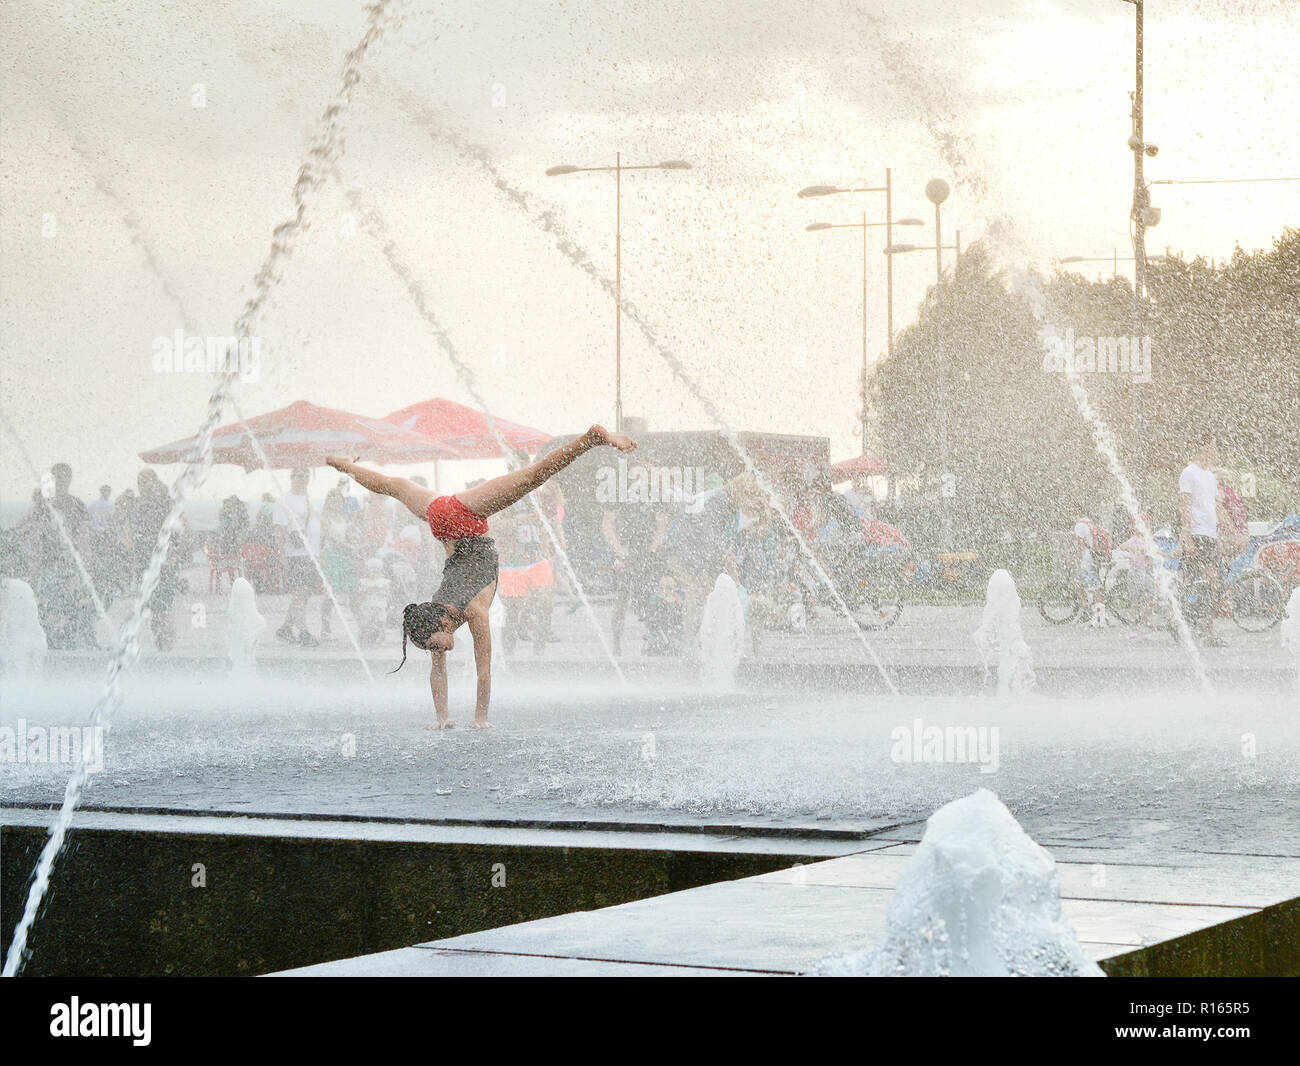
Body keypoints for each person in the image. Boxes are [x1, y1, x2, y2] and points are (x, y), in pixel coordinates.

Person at [328, 424, 636, 728]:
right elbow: (439, 669)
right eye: (431, 648)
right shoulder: (431, 613)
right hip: (439, 517)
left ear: (445, 624)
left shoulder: (474, 611)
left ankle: (591, 439)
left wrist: (480, 719)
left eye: (434, 644)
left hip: (467, 519)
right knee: (392, 485)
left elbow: (484, 670)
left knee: (533, 476)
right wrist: (442, 719)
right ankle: (343, 465)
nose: (434, 650)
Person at [1178, 431, 1224, 647]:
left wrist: (1227, 531)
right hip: (1197, 534)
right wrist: (1187, 536)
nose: (1215, 450)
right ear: (1204, 446)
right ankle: (1201, 629)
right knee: (1202, 582)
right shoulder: (1189, 473)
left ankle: (1201, 627)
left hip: (1210, 534)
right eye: (1213, 446)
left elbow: (1215, 506)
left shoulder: (1211, 476)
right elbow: (1185, 506)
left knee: (1210, 583)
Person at [273, 468, 323, 647]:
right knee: (300, 593)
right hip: (296, 554)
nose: (304, 480)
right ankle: (303, 632)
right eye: (300, 476)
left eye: (306, 476)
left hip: (311, 554)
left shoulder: (308, 499)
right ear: (292, 477)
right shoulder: (284, 501)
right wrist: (281, 555)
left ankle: (285, 628)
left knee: (304, 594)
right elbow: (279, 529)